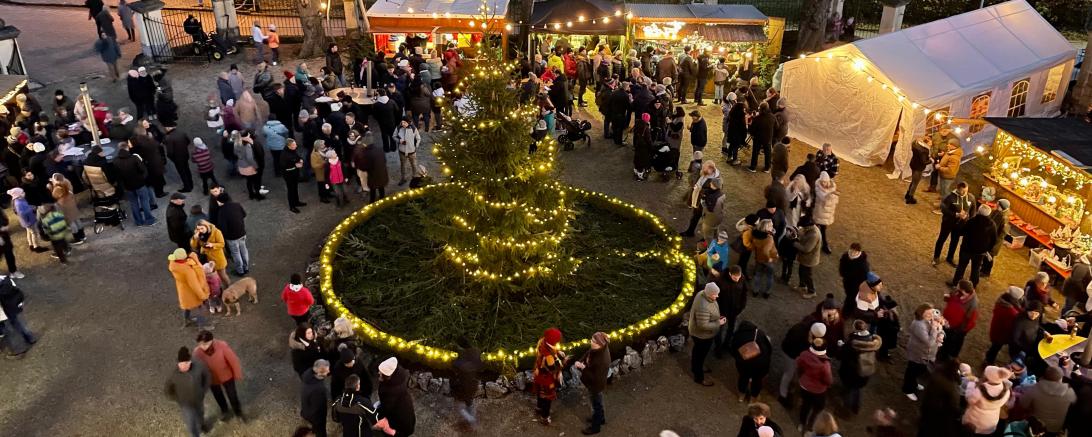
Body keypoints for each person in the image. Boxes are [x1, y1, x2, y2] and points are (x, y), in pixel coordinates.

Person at [192, 330, 244, 422]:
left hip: (227, 376)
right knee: (218, 396)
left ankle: (238, 412)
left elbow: (233, 360)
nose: (202, 347)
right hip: (212, 379)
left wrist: (237, 374)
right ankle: (225, 411)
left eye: (204, 344)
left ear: (211, 340)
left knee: (232, 395)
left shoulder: (222, 346)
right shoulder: (197, 352)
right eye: (200, 344)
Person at [165, 347, 211, 437]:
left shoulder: (199, 367)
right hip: (185, 404)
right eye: (181, 363)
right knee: (191, 424)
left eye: (186, 363)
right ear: (178, 363)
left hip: (198, 399)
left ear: (190, 361)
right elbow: (167, 390)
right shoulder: (173, 375)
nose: (184, 366)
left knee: (200, 413)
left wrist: (203, 390)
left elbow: (207, 376)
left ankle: (202, 425)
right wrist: (178, 400)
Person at [1017, 365, 1075, 434]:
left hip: (1037, 427)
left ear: (1044, 377)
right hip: (1056, 428)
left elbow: (1023, 404)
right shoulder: (1069, 392)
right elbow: (1073, 406)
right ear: (1061, 379)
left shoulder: (1034, 389)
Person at [840, 319, 881, 415]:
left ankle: (846, 410)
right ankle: (856, 408)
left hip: (851, 372)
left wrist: (841, 347)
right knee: (858, 390)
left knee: (849, 390)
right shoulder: (873, 342)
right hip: (865, 371)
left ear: (855, 329)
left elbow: (844, 355)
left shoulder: (852, 343)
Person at [950, 204, 996, 287]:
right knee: (976, 269)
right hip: (980, 252)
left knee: (961, 267)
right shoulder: (992, 225)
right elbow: (993, 240)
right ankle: (973, 286)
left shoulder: (971, 221)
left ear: (978, 211)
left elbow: (962, 232)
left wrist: (961, 221)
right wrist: (987, 249)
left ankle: (955, 282)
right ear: (989, 213)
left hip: (966, 249)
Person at [689, 282, 725, 386]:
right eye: (715, 294)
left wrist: (715, 318)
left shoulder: (702, 293)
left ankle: (696, 367)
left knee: (698, 352)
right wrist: (718, 322)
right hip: (702, 335)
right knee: (700, 354)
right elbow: (703, 325)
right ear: (709, 293)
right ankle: (699, 377)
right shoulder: (703, 306)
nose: (717, 296)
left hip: (698, 333)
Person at [574, 331, 611, 435]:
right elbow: (588, 352)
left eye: (593, 341)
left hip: (596, 385)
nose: (591, 342)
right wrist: (580, 361)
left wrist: (583, 367)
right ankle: (601, 419)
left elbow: (595, 378)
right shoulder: (598, 349)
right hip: (594, 384)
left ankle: (596, 427)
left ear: (599, 344)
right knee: (598, 402)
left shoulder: (602, 360)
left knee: (596, 404)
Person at [113, 141, 156, 226]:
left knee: (134, 204)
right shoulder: (134, 158)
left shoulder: (115, 161)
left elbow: (117, 176)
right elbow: (143, 170)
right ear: (127, 148)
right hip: (139, 184)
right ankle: (149, 220)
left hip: (127, 186)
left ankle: (139, 222)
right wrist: (142, 179)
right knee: (145, 201)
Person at [902, 304, 939, 401]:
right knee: (912, 371)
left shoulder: (929, 320)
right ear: (921, 313)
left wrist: (940, 332)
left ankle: (913, 383)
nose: (931, 315)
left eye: (931, 312)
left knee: (920, 370)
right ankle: (907, 389)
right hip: (917, 353)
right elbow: (929, 343)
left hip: (924, 354)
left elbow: (940, 330)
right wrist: (935, 329)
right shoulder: (919, 325)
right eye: (928, 314)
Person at [962, 366, 1013, 435]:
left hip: (974, 421)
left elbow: (969, 400)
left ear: (987, 377)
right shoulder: (1006, 391)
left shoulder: (979, 390)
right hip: (990, 422)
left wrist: (971, 384)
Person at [169, 248, 212, 330]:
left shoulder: (173, 264)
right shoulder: (187, 270)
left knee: (186, 306)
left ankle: (187, 321)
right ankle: (202, 327)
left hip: (183, 291)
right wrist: (202, 295)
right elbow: (194, 285)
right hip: (191, 292)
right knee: (201, 307)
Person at [917, 359, 962, 437]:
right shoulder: (951, 386)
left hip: (927, 402)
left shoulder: (937, 371)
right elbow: (954, 404)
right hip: (937, 409)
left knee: (924, 422)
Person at [795, 337, 833, 431]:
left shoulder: (804, 354)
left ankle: (802, 423)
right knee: (817, 409)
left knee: (805, 405)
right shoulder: (824, 364)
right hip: (818, 391)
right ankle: (810, 427)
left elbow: (798, 365)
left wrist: (801, 377)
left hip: (804, 386)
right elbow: (828, 380)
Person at [730, 321, 772, 403]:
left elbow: (733, 349)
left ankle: (741, 396)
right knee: (757, 380)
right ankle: (753, 398)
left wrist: (738, 359)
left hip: (745, 362)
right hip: (760, 363)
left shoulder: (738, 335)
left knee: (743, 377)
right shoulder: (760, 333)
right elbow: (769, 348)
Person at [933, 182, 974, 266]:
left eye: (966, 191)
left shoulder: (971, 197)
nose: (964, 193)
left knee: (954, 241)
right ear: (958, 189)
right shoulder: (950, 197)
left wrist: (968, 218)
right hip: (948, 223)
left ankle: (950, 257)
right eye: (962, 191)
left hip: (960, 225)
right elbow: (944, 209)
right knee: (942, 239)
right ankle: (936, 257)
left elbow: (973, 210)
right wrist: (956, 214)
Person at [533, 327, 566, 424]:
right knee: (547, 398)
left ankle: (539, 408)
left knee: (540, 392)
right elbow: (553, 369)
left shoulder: (542, 342)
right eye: (557, 341)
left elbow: (550, 348)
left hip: (538, 375)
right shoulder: (549, 357)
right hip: (546, 379)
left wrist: (557, 351)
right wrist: (564, 362)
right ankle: (545, 417)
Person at [940, 280, 978, 360]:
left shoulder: (972, 303)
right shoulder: (957, 291)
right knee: (944, 337)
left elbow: (970, 319)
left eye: (958, 287)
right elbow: (950, 298)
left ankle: (949, 355)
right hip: (946, 321)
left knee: (952, 341)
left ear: (963, 290)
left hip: (957, 328)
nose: (956, 287)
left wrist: (961, 330)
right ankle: (942, 350)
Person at [377, 357, 416, 436]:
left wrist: (391, 432)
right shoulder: (397, 380)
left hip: (398, 429)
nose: (378, 373)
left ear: (387, 376)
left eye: (381, 373)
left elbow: (386, 408)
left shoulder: (391, 394)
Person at [984, 286, 1023, 365]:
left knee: (994, 346)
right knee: (995, 348)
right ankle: (988, 360)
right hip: (1001, 334)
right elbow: (1010, 326)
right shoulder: (1010, 311)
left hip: (996, 329)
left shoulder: (1002, 301)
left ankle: (988, 358)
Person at [451, 339, 483, 428]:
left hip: (464, 386)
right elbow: (480, 366)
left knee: (460, 407)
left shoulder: (462, 359)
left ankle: (471, 419)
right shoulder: (476, 352)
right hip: (473, 385)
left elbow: (455, 366)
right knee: (470, 402)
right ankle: (472, 421)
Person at [0, 275, 34, 355]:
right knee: (18, 322)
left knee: (7, 328)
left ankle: (18, 348)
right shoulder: (5, 279)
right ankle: (30, 337)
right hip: (11, 306)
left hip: (2, 310)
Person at [48, 173, 85, 244]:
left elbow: (54, 195)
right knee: (76, 219)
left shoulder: (58, 187)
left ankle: (78, 238)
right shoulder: (67, 181)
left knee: (71, 222)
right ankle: (82, 235)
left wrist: (51, 187)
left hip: (65, 206)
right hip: (71, 203)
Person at [191, 220, 229, 286]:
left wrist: (212, 245)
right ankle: (218, 289)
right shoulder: (198, 234)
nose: (200, 230)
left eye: (202, 228)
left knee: (222, 275)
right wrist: (194, 238)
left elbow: (222, 244)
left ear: (207, 226)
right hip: (206, 259)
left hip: (217, 258)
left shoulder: (216, 232)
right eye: (198, 229)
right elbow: (193, 246)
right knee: (213, 277)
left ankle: (228, 287)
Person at [300, 359, 330, 437]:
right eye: (327, 370)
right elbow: (318, 408)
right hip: (316, 417)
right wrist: (319, 420)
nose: (329, 371)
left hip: (307, 410)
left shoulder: (308, 375)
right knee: (320, 431)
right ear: (320, 373)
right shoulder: (319, 389)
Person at [794, 216, 821, 299]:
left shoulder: (814, 235)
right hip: (805, 258)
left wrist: (794, 243)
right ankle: (802, 285)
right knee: (801, 271)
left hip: (809, 259)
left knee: (808, 275)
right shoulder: (810, 229)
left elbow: (806, 249)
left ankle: (812, 291)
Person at [982, 199, 1010, 278]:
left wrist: (994, 242)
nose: (996, 205)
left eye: (998, 204)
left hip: (995, 241)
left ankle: (986, 271)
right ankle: (983, 269)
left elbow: (1001, 233)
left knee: (989, 257)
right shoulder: (997, 212)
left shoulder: (1004, 218)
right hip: (989, 238)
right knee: (985, 255)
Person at [751, 219, 778, 299]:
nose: (772, 227)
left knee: (758, 275)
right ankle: (767, 292)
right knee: (769, 276)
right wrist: (769, 258)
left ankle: (755, 291)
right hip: (768, 259)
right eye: (771, 226)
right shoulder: (769, 238)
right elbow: (765, 251)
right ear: (766, 227)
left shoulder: (755, 234)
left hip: (759, 258)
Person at [812, 172, 838, 254]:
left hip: (826, 214)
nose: (823, 183)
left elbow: (835, 201)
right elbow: (822, 197)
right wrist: (830, 195)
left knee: (823, 230)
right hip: (818, 213)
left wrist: (832, 195)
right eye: (822, 181)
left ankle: (824, 245)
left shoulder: (833, 187)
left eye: (825, 181)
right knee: (815, 230)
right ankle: (814, 245)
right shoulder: (818, 187)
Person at [748, 103, 776, 173]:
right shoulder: (772, 117)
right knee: (768, 152)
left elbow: (752, 129)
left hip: (758, 138)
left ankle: (753, 167)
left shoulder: (757, 118)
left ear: (760, 109)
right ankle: (767, 168)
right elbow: (777, 126)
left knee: (755, 152)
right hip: (768, 137)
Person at [394, 117, 420, 186]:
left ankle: (415, 178)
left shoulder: (413, 129)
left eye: (404, 122)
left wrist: (415, 146)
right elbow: (394, 136)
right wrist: (399, 141)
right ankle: (403, 178)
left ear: (408, 122)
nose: (403, 124)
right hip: (402, 151)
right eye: (402, 122)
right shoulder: (398, 128)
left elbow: (418, 138)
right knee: (403, 166)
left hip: (412, 151)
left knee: (414, 165)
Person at [906, 136, 931, 204]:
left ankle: (907, 194)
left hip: (913, 164)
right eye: (930, 142)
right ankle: (910, 198)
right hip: (919, 168)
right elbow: (924, 162)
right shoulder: (924, 150)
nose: (931, 143)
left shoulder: (915, 144)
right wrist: (931, 160)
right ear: (927, 142)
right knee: (915, 183)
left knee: (913, 181)